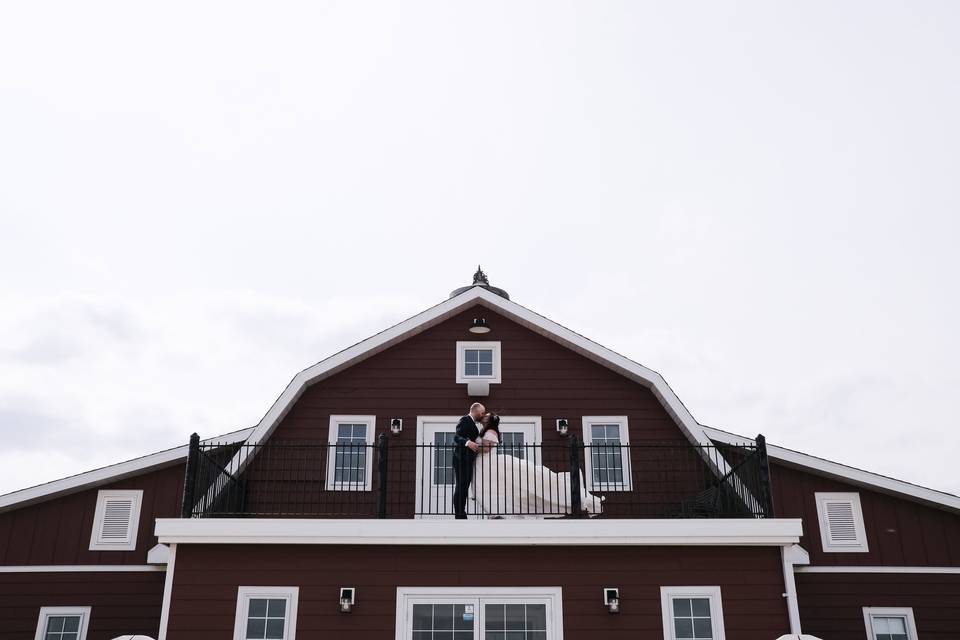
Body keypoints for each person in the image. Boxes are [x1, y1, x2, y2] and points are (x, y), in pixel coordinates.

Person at [472, 413, 603, 518]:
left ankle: (576, 495)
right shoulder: (485, 430)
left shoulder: (491, 432)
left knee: (528, 479)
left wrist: (473, 446)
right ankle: (499, 511)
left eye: (485, 415)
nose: (482, 416)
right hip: (485, 464)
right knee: (496, 487)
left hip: (488, 462)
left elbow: (487, 448)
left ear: (489, 420)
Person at [452, 402, 485, 519]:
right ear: (475, 411)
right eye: (482, 413)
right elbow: (456, 437)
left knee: (464, 486)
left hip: (468, 460)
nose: (482, 415)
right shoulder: (465, 420)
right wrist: (468, 442)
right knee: (461, 486)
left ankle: (461, 512)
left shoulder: (473, 424)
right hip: (461, 459)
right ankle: (459, 513)